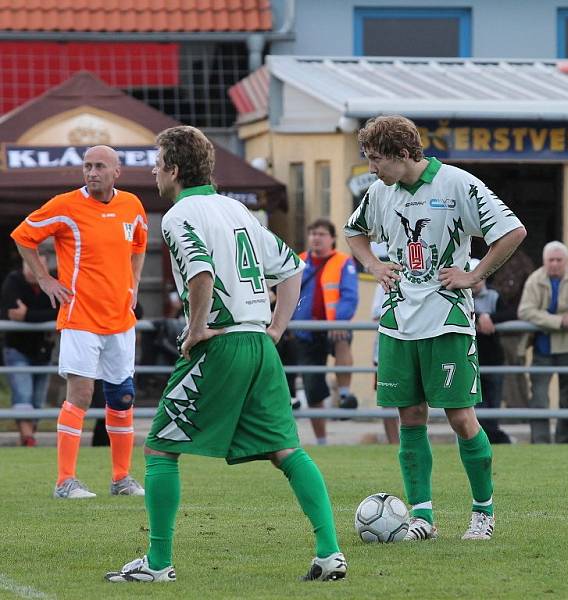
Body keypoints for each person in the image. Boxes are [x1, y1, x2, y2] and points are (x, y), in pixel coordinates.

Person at [105, 125, 346, 583]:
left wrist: (195, 331)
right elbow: (292, 268)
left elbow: (200, 275)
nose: (154, 172)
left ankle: (157, 564)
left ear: (174, 169)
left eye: (157, 164)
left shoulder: (179, 216)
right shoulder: (238, 209)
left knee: (159, 447)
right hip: (257, 343)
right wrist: (275, 329)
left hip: (220, 343)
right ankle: (330, 553)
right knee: (286, 449)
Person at [345, 115, 526, 541]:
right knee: (409, 416)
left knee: (461, 418)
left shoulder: (458, 184)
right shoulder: (378, 193)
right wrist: (373, 265)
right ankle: (422, 517)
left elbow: (512, 231)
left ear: (402, 154)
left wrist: (474, 274)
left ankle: (483, 513)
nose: (372, 169)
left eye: (375, 160)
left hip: (447, 321)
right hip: (396, 323)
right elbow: (354, 231)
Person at [11, 145, 148, 499]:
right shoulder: (65, 205)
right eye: (87, 166)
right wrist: (45, 279)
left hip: (120, 318)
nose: (91, 172)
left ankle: (121, 478)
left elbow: (139, 246)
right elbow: (23, 236)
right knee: (82, 393)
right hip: (80, 316)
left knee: (123, 397)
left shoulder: (132, 205)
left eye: (99, 166)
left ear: (117, 171)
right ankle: (65, 481)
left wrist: (133, 285)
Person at [292, 218, 360, 445]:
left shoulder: (343, 261)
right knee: (313, 389)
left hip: (333, 326)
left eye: (321, 234)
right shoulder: (299, 261)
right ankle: (322, 441)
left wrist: (339, 321)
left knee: (342, 338)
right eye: (312, 233)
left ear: (332, 238)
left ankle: (343, 394)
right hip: (305, 330)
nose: (315, 238)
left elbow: (350, 296)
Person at [518, 242, 568, 444]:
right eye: (551, 260)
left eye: (559, 260)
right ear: (544, 261)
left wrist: (546, 319)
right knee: (538, 398)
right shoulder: (534, 280)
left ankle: (566, 441)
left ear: (566, 261)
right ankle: (540, 442)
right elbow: (524, 311)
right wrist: (558, 321)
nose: (555, 264)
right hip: (542, 348)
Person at [0, 254, 58, 447]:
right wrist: (44, 316)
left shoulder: (56, 281)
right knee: (23, 395)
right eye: (30, 264)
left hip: (43, 350)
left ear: (46, 267)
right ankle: (29, 439)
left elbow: (62, 311)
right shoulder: (14, 281)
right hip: (18, 348)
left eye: (39, 264)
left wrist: (29, 315)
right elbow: (10, 312)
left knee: (38, 400)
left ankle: (28, 438)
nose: (34, 269)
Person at [469, 258, 515, 444]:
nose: (477, 282)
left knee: (493, 405)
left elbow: (512, 313)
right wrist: (479, 317)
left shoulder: (494, 296)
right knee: (478, 407)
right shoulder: (460, 297)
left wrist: (490, 318)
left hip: (494, 358)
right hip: (471, 359)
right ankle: (494, 440)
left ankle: (493, 440)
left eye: (480, 277)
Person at [490, 249, 535, 412]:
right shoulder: (511, 259)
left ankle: (516, 411)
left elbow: (506, 293)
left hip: (512, 329)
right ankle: (519, 410)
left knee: (511, 372)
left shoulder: (515, 262)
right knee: (515, 371)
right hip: (510, 326)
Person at [370, 280, 400, 444]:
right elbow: (375, 313)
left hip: (412, 346)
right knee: (388, 399)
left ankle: (411, 443)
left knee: (415, 400)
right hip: (385, 351)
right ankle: (394, 444)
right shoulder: (384, 281)